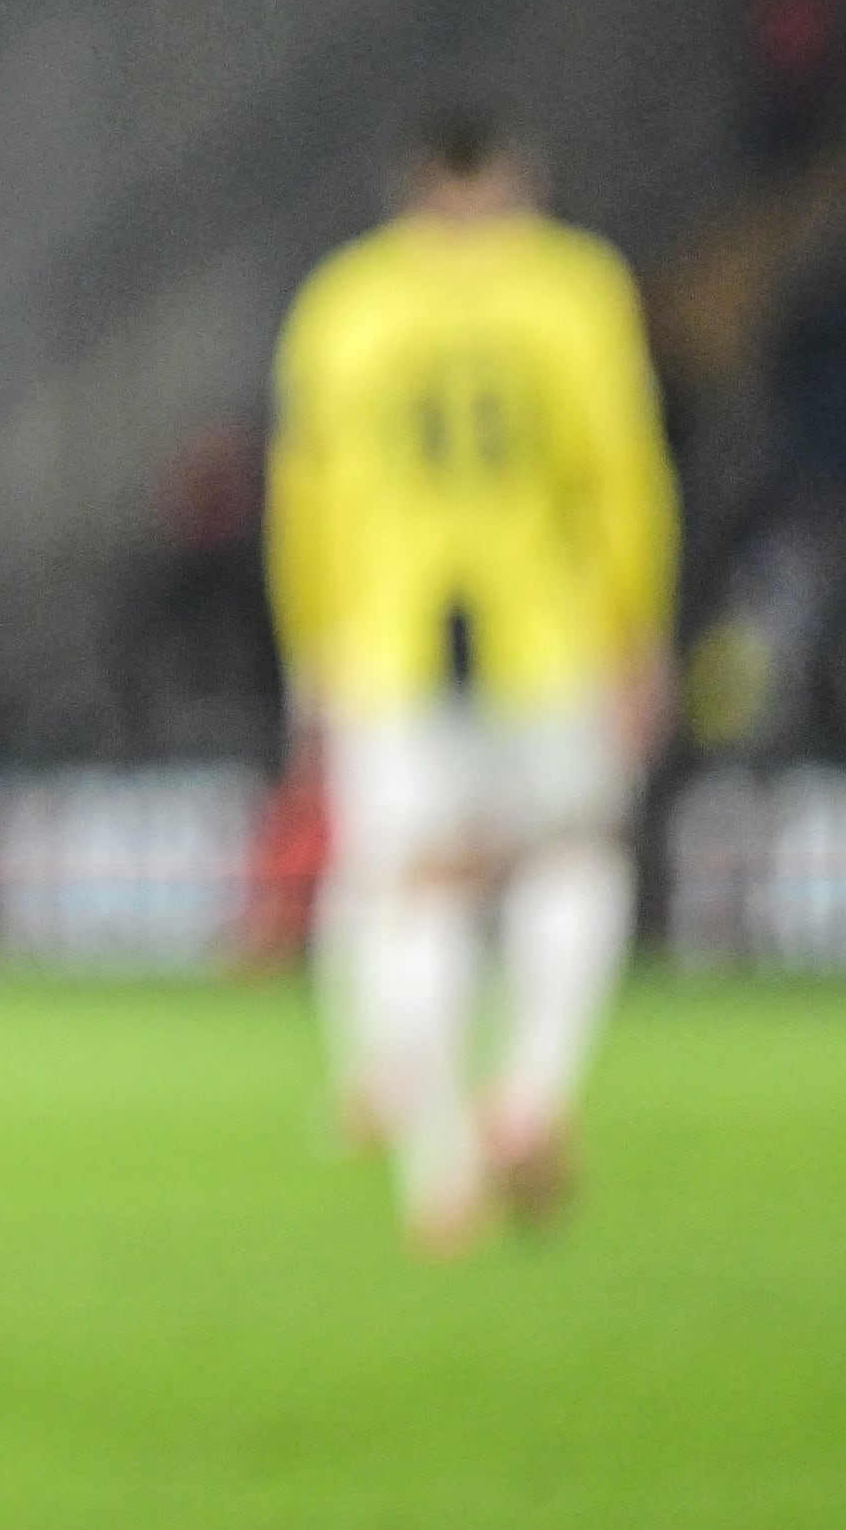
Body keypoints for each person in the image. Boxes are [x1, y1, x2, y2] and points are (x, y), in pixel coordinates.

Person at [269, 102, 679, 1253]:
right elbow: (623, 476)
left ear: (409, 184)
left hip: (391, 641)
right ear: (520, 177)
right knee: (573, 857)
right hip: (542, 632)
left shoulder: (345, 301)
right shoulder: (572, 287)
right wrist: (635, 628)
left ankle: (438, 1172)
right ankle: (533, 1090)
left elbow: (302, 498)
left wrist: (309, 643)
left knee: (409, 891)